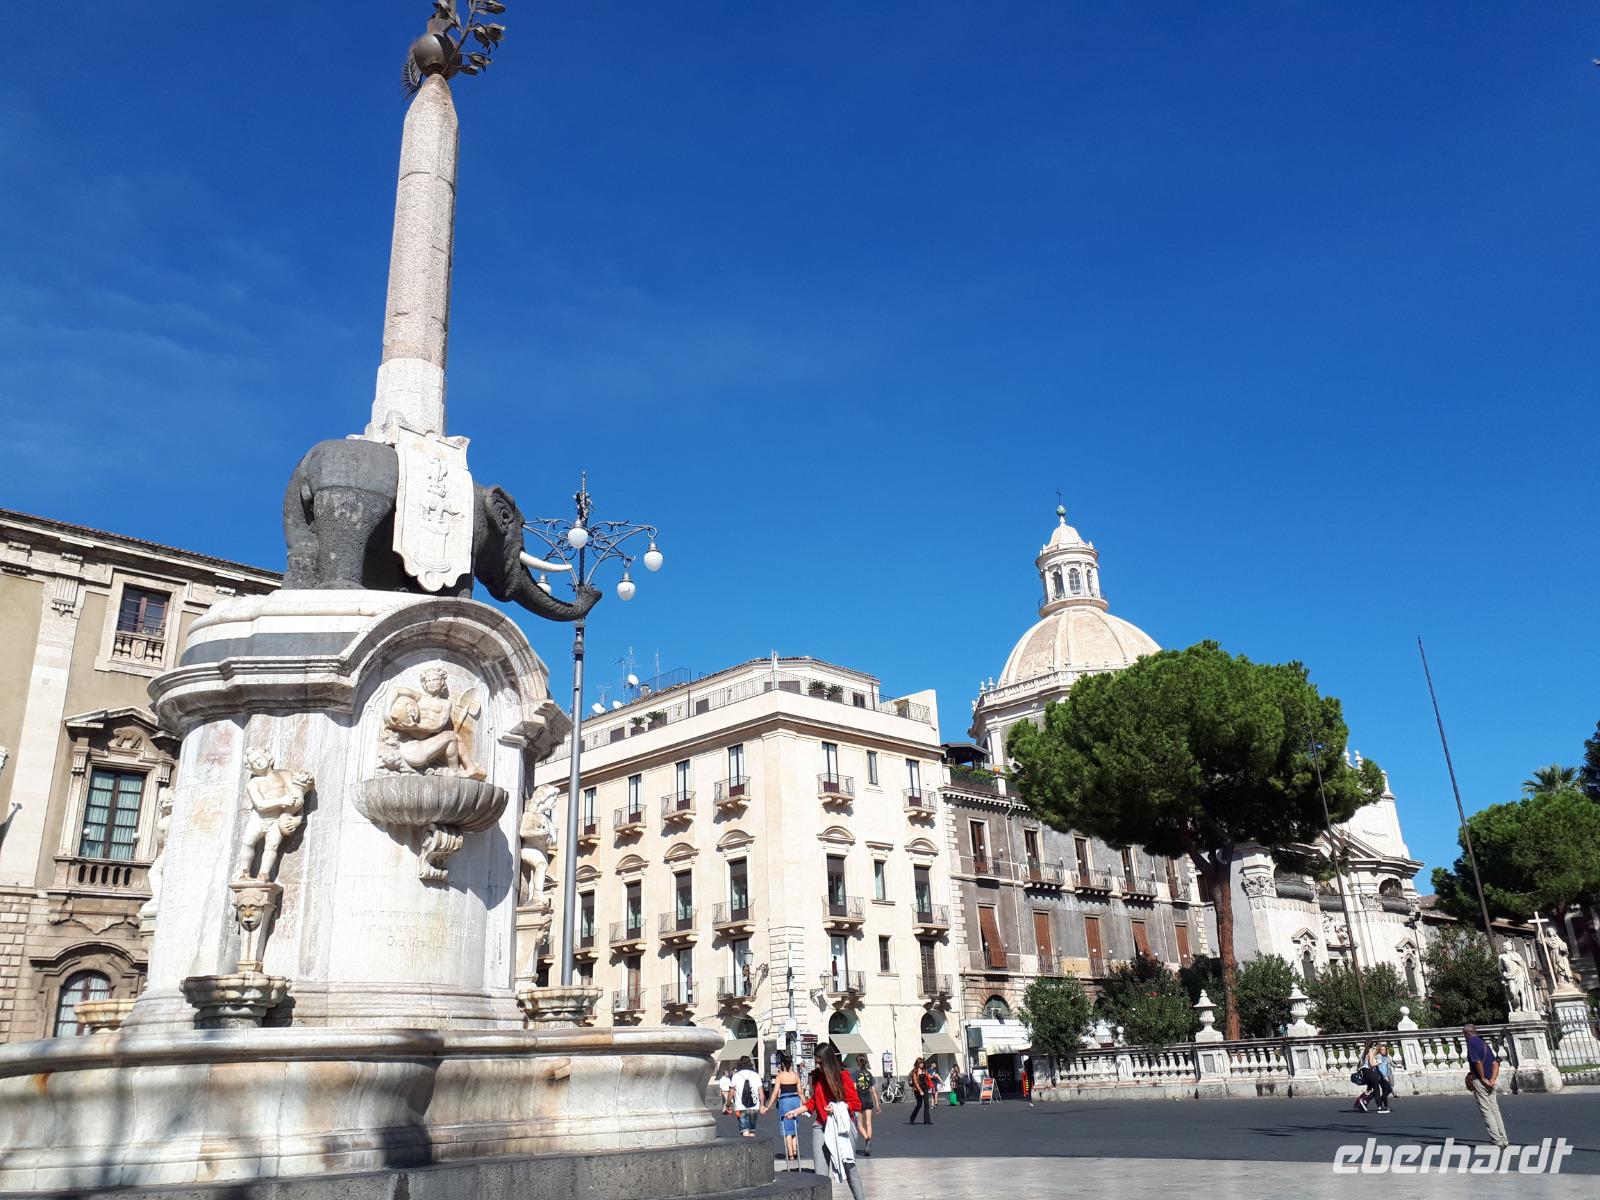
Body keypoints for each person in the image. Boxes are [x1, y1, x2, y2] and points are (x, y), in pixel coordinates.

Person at [804, 1044, 866, 1200]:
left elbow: (855, 1103)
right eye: (816, 1062)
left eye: (820, 1063)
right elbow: (814, 1100)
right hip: (820, 1126)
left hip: (841, 1126)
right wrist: (798, 1110)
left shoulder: (843, 1076)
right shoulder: (817, 1077)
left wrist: (839, 1107)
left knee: (850, 1169)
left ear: (828, 1061)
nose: (818, 1066)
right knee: (820, 1175)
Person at [1464, 1024, 1509, 1149]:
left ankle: (1497, 1140)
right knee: (1495, 1110)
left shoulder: (1471, 1044)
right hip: (1490, 1080)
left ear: (1467, 1034)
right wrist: (1492, 1079)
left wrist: (1483, 1078)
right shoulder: (1484, 1044)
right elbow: (1495, 1063)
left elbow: (1477, 1062)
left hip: (1480, 1080)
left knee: (1486, 1111)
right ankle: (1504, 1139)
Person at [762, 1053, 805, 1167]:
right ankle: (795, 1150)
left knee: (787, 1129)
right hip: (795, 1100)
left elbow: (775, 1093)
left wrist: (769, 1105)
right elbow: (800, 1092)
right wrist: (806, 1105)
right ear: (791, 1064)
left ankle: (790, 1154)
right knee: (794, 1125)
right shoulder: (796, 1076)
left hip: (785, 1101)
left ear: (782, 1064)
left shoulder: (780, 1076)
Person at [731, 1055, 765, 1138]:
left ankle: (747, 1149)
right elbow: (761, 1092)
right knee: (752, 1131)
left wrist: (728, 1104)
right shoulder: (756, 1075)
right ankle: (753, 1149)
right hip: (754, 1107)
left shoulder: (735, 1076)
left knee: (745, 1130)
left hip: (740, 1108)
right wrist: (762, 1105)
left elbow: (731, 1092)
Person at [853, 1055, 880, 1153]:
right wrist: (877, 1104)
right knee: (868, 1123)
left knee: (859, 1124)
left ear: (857, 1062)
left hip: (860, 1100)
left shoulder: (855, 1074)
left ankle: (868, 1140)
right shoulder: (869, 1074)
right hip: (869, 1099)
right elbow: (873, 1090)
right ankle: (867, 1146)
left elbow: (854, 1089)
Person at [1353, 1042, 1381, 1113]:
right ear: (1373, 1045)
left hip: (1365, 1072)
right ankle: (1379, 1107)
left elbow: (1361, 1064)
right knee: (1376, 1090)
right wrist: (1378, 1062)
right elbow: (1371, 1064)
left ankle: (1364, 1103)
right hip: (1370, 1072)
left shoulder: (1364, 1053)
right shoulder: (1370, 1052)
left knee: (1370, 1089)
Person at [907, 1056, 933, 1125]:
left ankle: (927, 1120)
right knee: (919, 1104)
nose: (922, 1064)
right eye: (920, 1063)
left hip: (925, 1088)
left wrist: (931, 1077)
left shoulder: (924, 1070)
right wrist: (920, 1090)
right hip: (917, 1089)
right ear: (917, 1063)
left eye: (923, 1063)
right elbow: (915, 1082)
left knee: (927, 1104)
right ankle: (912, 1118)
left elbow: (927, 1078)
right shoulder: (914, 1072)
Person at [1373, 1044, 1395, 1114]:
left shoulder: (1385, 1057)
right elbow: (1380, 1068)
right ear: (1379, 1050)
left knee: (1388, 1090)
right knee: (1386, 1090)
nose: (1384, 1051)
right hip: (1381, 1076)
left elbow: (1389, 1064)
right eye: (1382, 1049)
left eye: (1385, 1049)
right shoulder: (1379, 1057)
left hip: (1385, 1076)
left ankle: (1382, 1101)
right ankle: (1386, 1106)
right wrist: (1385, 1076)